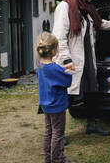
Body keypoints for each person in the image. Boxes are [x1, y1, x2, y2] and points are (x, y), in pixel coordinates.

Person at [53, 0, 110, 136]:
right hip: (70, 61)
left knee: (92, 92)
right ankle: (58, 134)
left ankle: (92, 124)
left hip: (87, 59)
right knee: (67, 97)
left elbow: (101, 24)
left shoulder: (86, 8)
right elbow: (58, 37)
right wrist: (66, 59)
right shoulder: (65, 6)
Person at [36, 32, 72, 163]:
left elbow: (54, 74)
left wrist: (63, 69)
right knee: (58, 133)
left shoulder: (40, 66)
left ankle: (48, 158)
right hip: (57, 106)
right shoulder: (55, 68)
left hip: (46, 105)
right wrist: (68, 71)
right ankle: (57, 159)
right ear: (53, 51)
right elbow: (67, 81)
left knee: (48, 131)